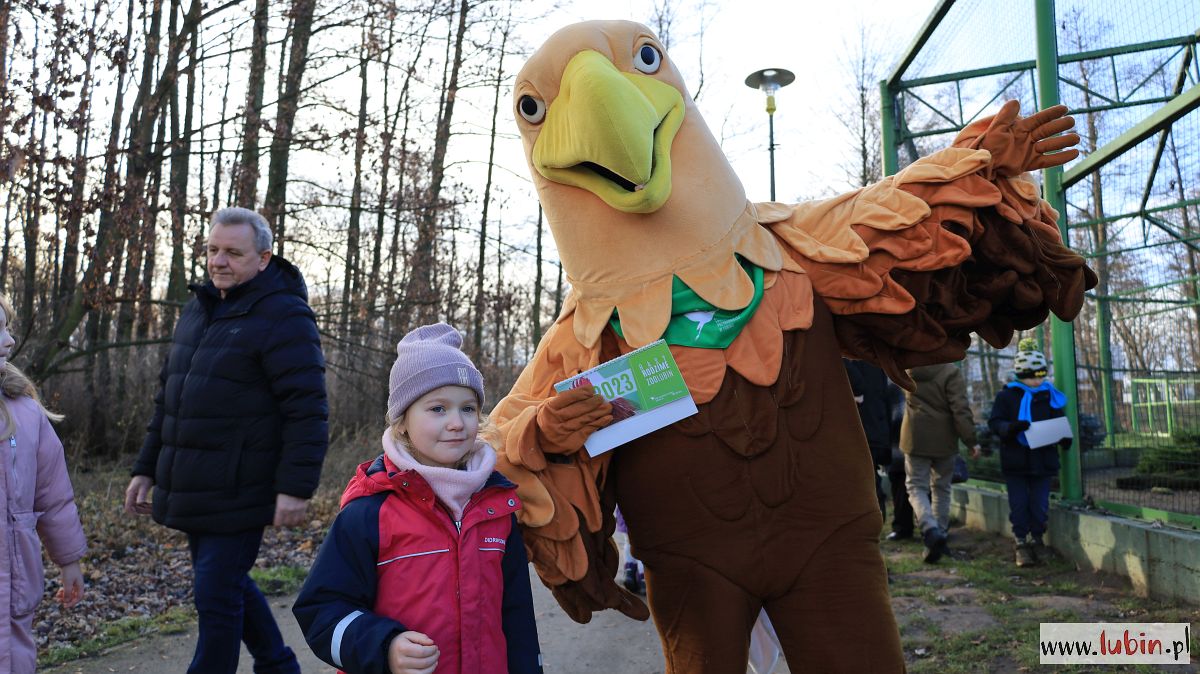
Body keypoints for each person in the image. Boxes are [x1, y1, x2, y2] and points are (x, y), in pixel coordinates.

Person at [124, 207, 328, 674]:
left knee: (216, 595)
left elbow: (307, 410)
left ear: (263, 259)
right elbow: (169, 400)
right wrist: (145, 467)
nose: (218, 261)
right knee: (225, 585)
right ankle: (278, 665)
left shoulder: (285, 315)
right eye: (213, 250)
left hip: (244, 485)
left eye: (233, 253)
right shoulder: (200, 309)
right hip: (195, 483)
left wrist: (296, 488)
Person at [293, 323, 542, 674]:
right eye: (437, 408)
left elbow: (516, 617)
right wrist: (384, 646)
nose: (457, 422)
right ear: (402, 422)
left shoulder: (496, 507)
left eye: (468, 408)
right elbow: (321, 611)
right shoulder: (369, 511)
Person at [0, 293, 87, 672]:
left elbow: (53, 495)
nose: (9, 341)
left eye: (7, 328)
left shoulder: (26, 411)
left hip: (16, 584)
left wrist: (68, 559)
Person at [988, 339, 1070, 567]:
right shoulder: (1007, 397)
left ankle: (1038, 541)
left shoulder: (1049, 396)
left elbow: (1059, 422)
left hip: (1043, 462)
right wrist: (1010, 428)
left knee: (1040, 504)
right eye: (1032, 374)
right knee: (1019, 503)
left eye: (1041, 373)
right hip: (1016, 462)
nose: (1037, 379)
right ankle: (1021, 543)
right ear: (1020, 373)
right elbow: (995, 422)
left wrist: (1064, 438)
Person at [900, 362, 981, 563]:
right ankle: (939, 535)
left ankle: (929, 529)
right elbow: (960, 408)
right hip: (944, 439)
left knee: (916, 486)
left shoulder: (905, 369)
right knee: (942, 488)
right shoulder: (950, 372)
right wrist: (971, 440)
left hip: (915, 437)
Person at [844, 359, 899, 519]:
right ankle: (877, 515)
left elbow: (856, 380)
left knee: (865, 477)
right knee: (869, 474)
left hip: (863, 424)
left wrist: (857, 392)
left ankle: (873, 516)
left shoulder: (849, 356)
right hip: (877, 424)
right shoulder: (875, 357)